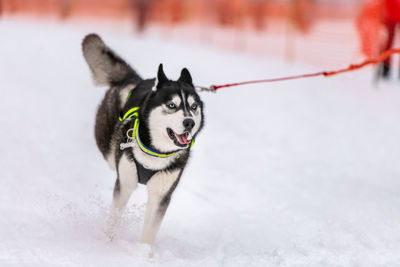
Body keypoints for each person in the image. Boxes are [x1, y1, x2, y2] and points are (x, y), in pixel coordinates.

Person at [379, 0, 400, 78]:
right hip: (391, 13)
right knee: (388, 42)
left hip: (390, 13)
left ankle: (386, 68)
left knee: (388, 42)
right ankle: (386, 67)